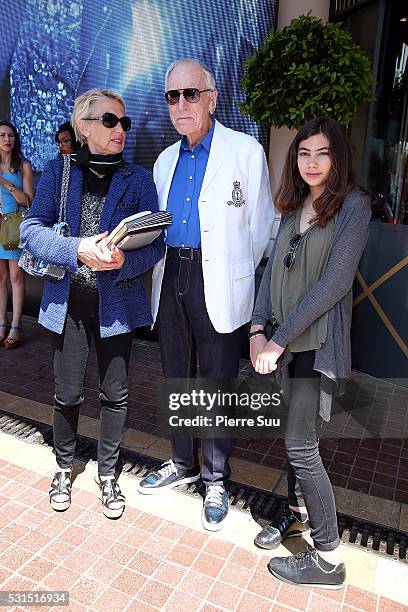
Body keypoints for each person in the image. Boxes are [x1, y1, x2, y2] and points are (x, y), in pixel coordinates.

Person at [138, 59, 274, 531]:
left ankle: (215, 477)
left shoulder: (246, 151)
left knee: (216, 381)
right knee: (177, 373)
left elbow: (261, 229)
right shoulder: (163, 160)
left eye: (190, 94)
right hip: (170, 269)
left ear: (212, 99)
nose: (180, 105)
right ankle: (182, 461)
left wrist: (232, 268)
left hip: (218, 279)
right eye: (172, 96)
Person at [20, 88, 165, 519]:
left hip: (117, 305)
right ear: (84, 127)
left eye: (124, 123)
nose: (120, 129)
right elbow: (30, 231)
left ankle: (107, 475)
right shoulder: (58, 171)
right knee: (67, 393)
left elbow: (156, 245)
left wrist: (125, 260)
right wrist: (76, 248)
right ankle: (63, 468)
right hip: (68, 305)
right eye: (109, 121)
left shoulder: (138, 180)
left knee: (115, 395)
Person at [250, 118, 372, 589]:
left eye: (322, 153)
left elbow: (336, 283)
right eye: (304, 153)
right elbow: (271, 271)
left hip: (314, 346)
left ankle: (327, 559)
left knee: (302, 445)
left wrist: (279, 340)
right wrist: (259, 329)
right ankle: (297, 514)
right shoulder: (294, 204)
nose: (312, 162)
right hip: (282, 340)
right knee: (292, 438)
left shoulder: (354, 207)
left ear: (337, 157)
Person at [0, 120, 34, 349]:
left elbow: (29, 201)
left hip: (13, 227)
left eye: (10, 135)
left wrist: (7, 184)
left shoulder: (23, 166)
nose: (7, 139)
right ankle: (1, 323)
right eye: (2, 135)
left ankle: (16, 324)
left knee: (16, 277)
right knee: (0, 279)